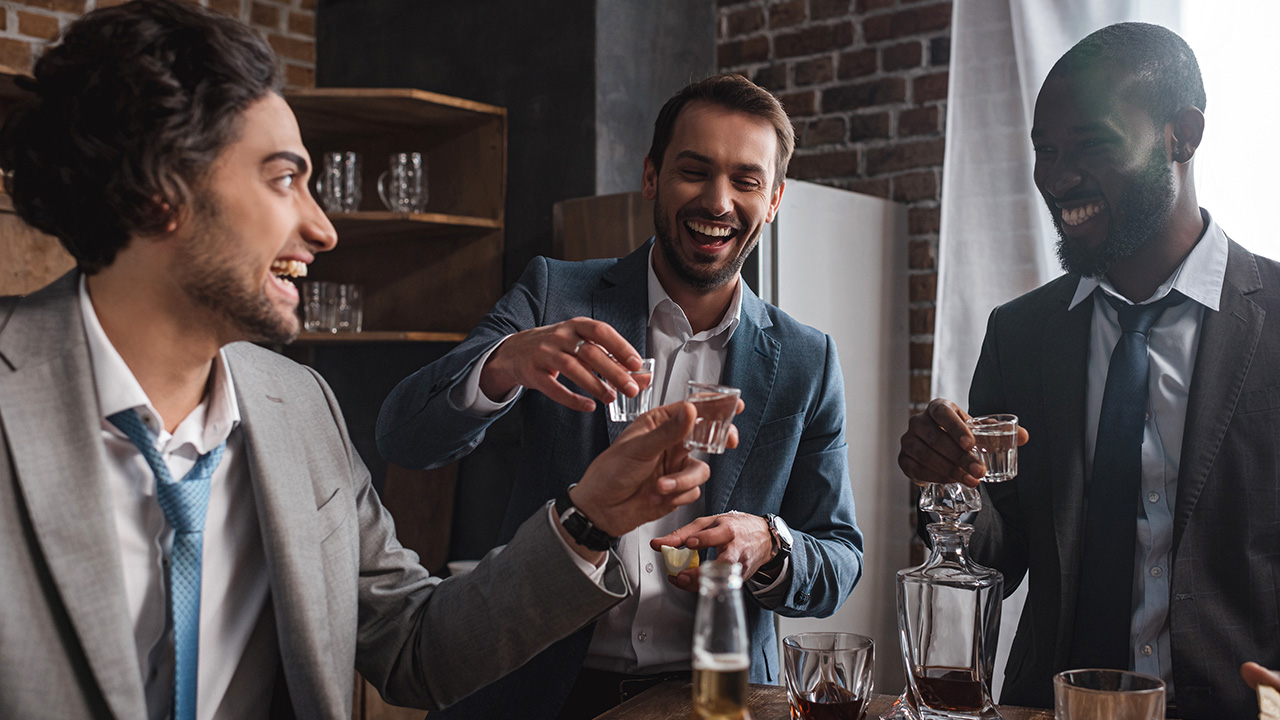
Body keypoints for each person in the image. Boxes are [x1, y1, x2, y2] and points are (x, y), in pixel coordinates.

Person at [0, 2, 725, 719]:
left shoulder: (300, 406)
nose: (322, 229)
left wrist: (590, 517)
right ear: (162, 191)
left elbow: (414, 647)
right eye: (284, 178)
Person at [377, 74, 863, 719]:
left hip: (715, 699)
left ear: (772, 200)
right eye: (695, 170)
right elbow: (404, 435)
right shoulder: (553, 294)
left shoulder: (807, 358)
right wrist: (502, 363)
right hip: (534, 690)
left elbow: (839, 557)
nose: (718, 201)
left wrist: (769, 544)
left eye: (746, 181)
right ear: (652, 177)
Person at [898, 22, 1280, 720]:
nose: (1057, 177)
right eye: (1045, 151)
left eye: (1092, 146)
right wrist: (947, 486)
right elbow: (997, 558)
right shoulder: (1019, 333)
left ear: (1182, 135)